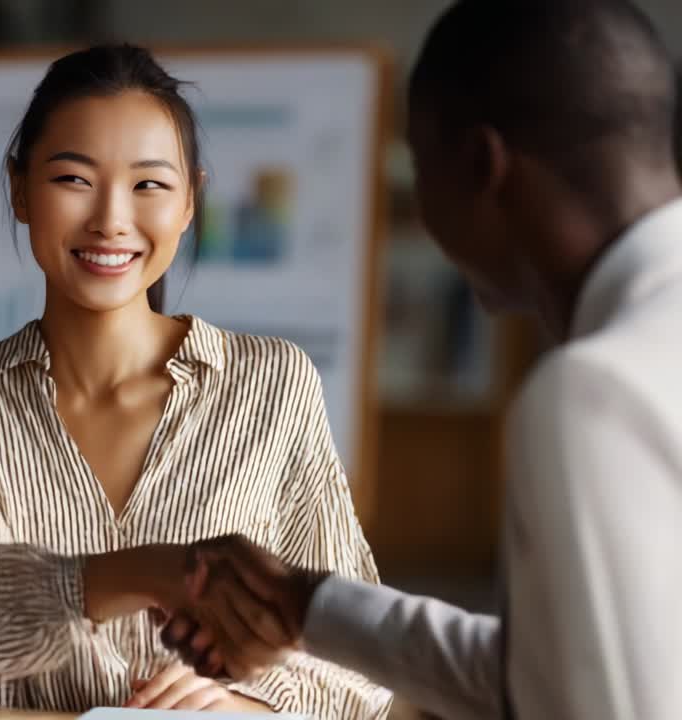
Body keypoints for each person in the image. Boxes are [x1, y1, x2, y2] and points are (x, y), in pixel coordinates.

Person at [161, 2, 682, 719]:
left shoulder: (593, 390)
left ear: (479, 166)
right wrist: (306, 604)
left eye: (420, 164)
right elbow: (545, 670)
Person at [0, 44, 391, 718]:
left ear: (191, 203)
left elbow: (359, 651)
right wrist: (162, 572)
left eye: (149, 185)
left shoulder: (272, 382)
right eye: (74, 179)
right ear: (19, 187)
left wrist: (246, 708)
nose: (111, 219)